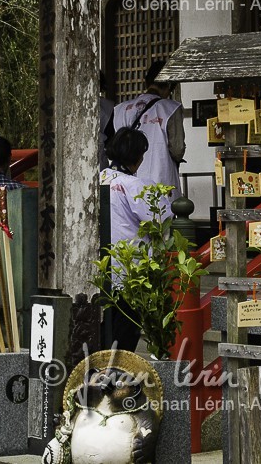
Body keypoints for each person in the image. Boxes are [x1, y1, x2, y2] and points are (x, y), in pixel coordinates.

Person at [101, 127, 172, 353]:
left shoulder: (99, 178)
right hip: (129, 272)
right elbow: (162, 221)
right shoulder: (136, 186)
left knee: (105, 332)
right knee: (125, 334)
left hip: (101, 269)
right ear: (139, 157)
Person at [107, 62, 186, 193]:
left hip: (125, 181)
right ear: (168, 86)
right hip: (161, 178)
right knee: (160, 211)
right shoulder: (170, 108)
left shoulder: (120, 109)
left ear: (147, 82)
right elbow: (177, 150)